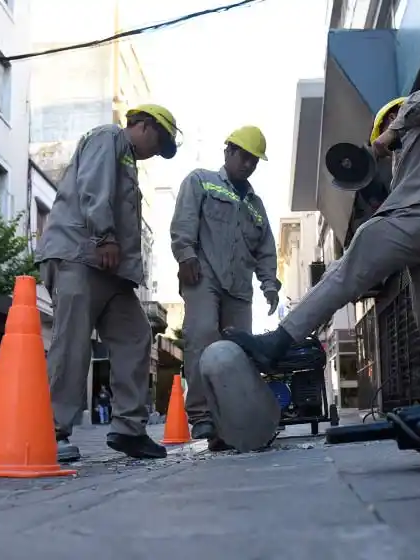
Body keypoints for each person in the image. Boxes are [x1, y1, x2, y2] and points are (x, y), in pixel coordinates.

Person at [223, 85, 420, 389]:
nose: (392, 153)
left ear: (395, 114)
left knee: (351, 260)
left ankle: (278, 341)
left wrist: (390, 133)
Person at [36, 104, 181, 462]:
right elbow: (94, 186)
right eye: (158, 143)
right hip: (80, 254)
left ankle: (129, 429)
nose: (155, 154)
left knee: (136, 335)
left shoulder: (127, 159)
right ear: (144, 126)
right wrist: (104, 236)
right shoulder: (108, 137)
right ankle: (51, 432)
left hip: (111, 270)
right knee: (72, 343)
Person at [170, 125, 280, 448]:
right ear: (228, 151)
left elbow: (266, 249)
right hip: (203, 276)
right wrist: (185, 254)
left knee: (238, 352)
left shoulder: (256, 206)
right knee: (202, 334)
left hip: (239, 289)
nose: (249, 165)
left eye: (254, 161)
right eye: (244, 157)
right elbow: (184, 220)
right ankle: (202, 414)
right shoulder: (201, 181)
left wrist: (270, 285)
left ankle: (229, 426)